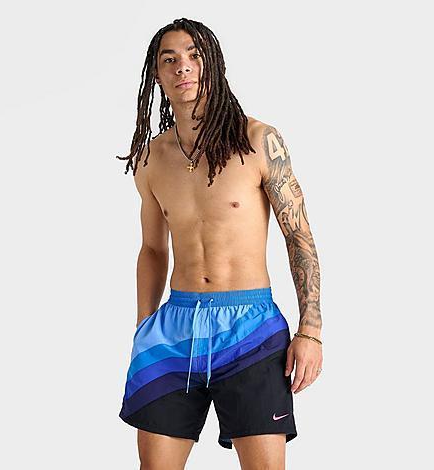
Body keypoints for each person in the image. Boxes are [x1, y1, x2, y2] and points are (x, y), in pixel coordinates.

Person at [116, 17, 323, 470]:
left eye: (194, 56)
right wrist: (143, 327)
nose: (183, 67)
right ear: (157, 75)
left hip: (250, 327)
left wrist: (310, 330)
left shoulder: (258, 141)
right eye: (169, 59)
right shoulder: (151, 159)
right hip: (174, 330)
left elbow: (298, 234)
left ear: (213, 64)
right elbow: (153, 249)